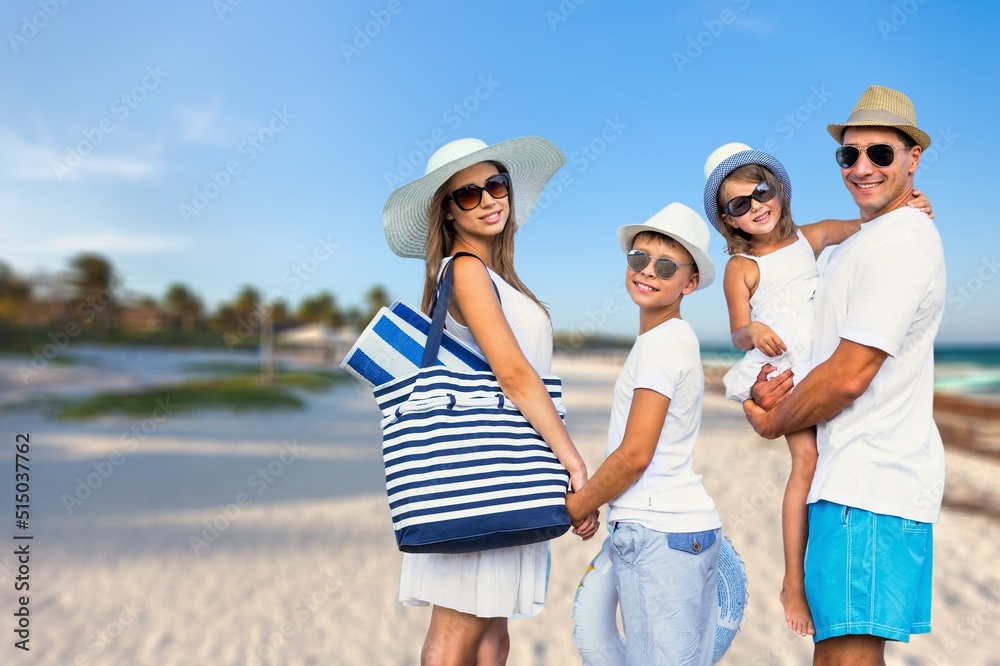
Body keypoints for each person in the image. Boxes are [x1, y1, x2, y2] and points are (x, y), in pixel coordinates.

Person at [743, 85, 945, 666]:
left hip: (872, 483)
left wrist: (773, 421)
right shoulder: (856, 245)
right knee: (836, 656)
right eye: (848, 155)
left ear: (913, 158)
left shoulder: (903, 240)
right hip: (847, 482)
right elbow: (816, 352)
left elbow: (850, 374)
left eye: (880, 154)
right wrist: (770, 392)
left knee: (846, 659)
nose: (861, 167)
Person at [382, 136, 600, 665]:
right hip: (477, 471)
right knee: (458, 629)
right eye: (468, 194)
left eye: (495, 185)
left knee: (492, 633)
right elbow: (515, 375)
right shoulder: (465, 270)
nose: (488, 200)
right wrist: (573, 462)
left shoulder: (497, 277)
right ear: (448, 213)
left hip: (507, 471)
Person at [702, 143, 933, 637]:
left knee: (831, 462)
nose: (755, 207)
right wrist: (754, 333)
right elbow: (738, 329)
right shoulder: (741, 266)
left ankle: (814, 572)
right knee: (805, 464)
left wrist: (914, 204)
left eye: (760, 192)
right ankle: (791, 580)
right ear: (729, 220)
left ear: (778, 189)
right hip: (788, 364)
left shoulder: (814, 236)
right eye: (738, 205)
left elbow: (875, 229)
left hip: (825, 358)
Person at [566, 202, 722, 665]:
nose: (648, 271)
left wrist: (579, 504)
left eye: (666, 265)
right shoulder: (678, 337)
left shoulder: (659, 345)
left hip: (658, 531)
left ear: (689, 283)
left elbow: (635, 454)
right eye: (639, 259)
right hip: (683, 529)